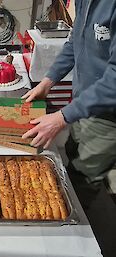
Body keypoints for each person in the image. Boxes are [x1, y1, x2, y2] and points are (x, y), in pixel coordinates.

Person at [22, 0, 116, 184]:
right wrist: (47, 82)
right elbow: (75, 43)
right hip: (83, 103)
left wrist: (62, 117)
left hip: (107, 114)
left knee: (84, 178)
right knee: (72, 155)